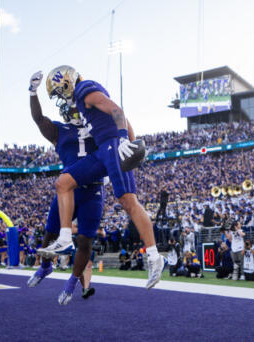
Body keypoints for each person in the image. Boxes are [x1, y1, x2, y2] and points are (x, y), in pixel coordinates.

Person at [39, 66, 166, 290]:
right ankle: (65, 236)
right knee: (63, 182)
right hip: (102, 150)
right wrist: (132, 142)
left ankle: (155, 257)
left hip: (113, 146)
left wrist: (126, 140)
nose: (60, 98)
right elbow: (120, 116)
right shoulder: (80, 99)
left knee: (128, 201)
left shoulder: (84, 90)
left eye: (59, 91)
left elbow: (117, 111)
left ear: (67, 84)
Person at [26, 71, 104, 306]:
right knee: (50, 234)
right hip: (68, 191)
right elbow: (39, 119)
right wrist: (32, 92)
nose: (74, 109)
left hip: (93, 190)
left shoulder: (96, 127)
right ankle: (46, 266)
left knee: (85, 242)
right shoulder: (59, 130)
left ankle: (72, 284)